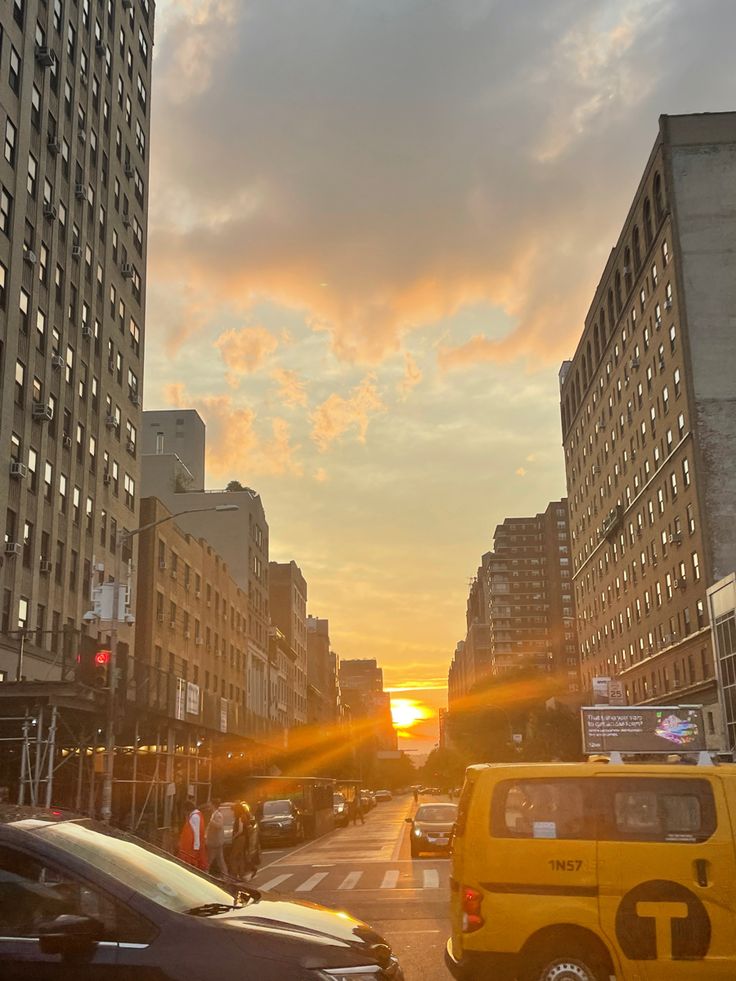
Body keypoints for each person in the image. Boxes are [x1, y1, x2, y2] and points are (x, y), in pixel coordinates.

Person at [177, 799, 208, 870]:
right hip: (196, 844)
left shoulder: (194, 817)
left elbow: (196, 832)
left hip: (193, 846)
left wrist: (196, 848)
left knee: (193, 864)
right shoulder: (198, 814)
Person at [230, 803, 257, 880]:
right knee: (241, 856)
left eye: (233, 810)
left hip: (240, 839)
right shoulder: (243, 816)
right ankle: (241, 873)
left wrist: (234, 837)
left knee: (233, 857)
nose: (233, 812)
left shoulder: (240, 817)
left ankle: (234, 874)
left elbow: (240, 830)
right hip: (244, 838)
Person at [206, 799, 228, 877]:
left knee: (209, 860)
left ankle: (205, 874)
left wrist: (212, 823)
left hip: (215, 842)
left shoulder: (218, 815)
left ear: (213, 805)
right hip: (215, 842)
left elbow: (219, 825)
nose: (209, 806)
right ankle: (225, 876)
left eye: (210, 804)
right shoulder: (213, 814)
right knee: (220, 861)